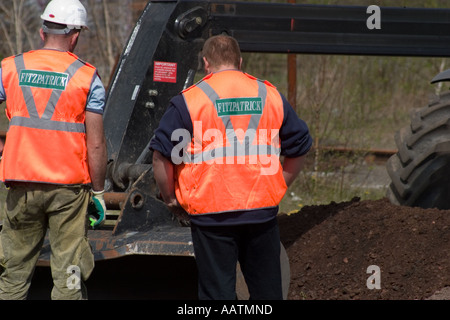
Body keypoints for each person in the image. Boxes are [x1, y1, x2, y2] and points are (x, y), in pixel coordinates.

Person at [150, 34, 312, 300]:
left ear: (206, 63)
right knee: (268, 294)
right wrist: (279, 185)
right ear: (240, 61)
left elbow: (161, 158)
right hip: (261, 214)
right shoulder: (269, 94)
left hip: (211, 217)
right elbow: (300, 147)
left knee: (218, 296)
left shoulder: (188, 102)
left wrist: (171, 199)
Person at [0, 0, 107, 300]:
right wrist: (98, 192)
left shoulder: (11, 67)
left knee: (14, 276)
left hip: (21, 189)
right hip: (69, 195)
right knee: (69, 277)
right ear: (75, 36)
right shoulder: (87, 78)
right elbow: (96, 142)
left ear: (41, 31)